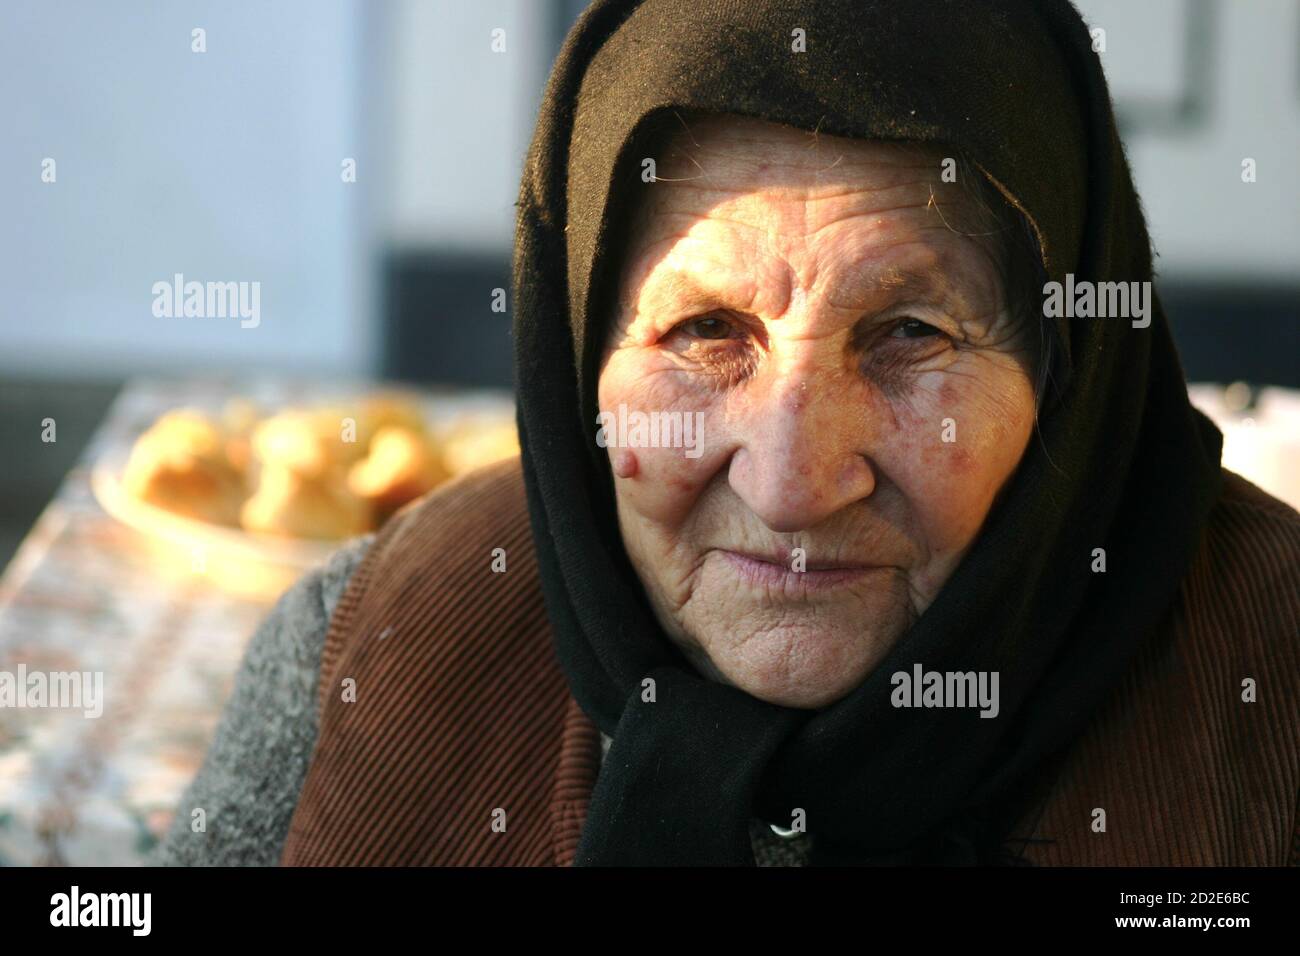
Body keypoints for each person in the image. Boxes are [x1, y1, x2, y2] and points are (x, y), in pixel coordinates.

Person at [156, 0, 1299, 867]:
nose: (794, 481)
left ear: (1069, 373)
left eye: (911, 331)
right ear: (576, 365)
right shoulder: (375, 641)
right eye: (704, 330)